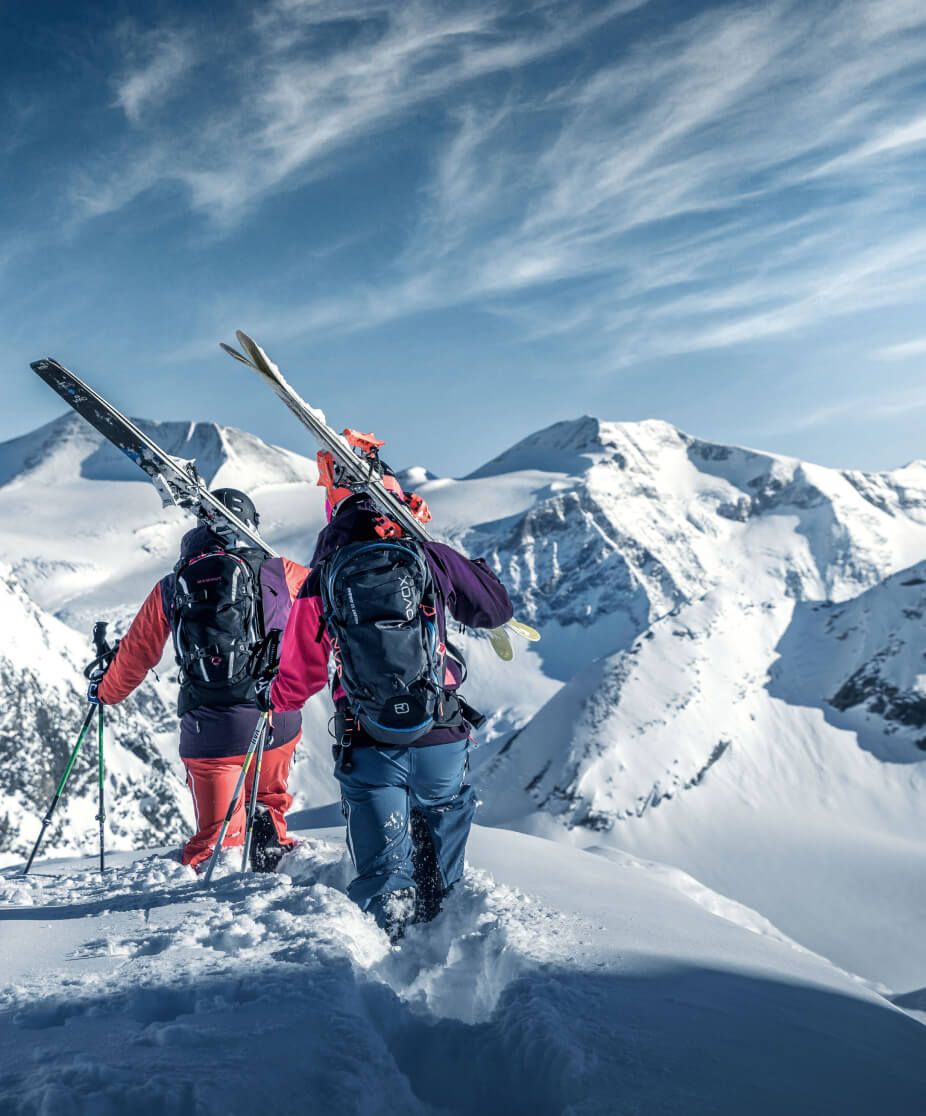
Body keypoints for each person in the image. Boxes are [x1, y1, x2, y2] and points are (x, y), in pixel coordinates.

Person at [262, 463, 513, 940]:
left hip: (369, 743)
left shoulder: (323, 577)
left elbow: (298, 679)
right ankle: (443, 935)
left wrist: (271, 697)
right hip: (440, 736)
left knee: (383, 876)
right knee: (442, 862)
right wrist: (468, 568)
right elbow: (496, 609)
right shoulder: (430, 557)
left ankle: (386, 956)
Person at [90, 489, 309, 872]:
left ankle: (218, 893)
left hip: (213, 729)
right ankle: (273, 869)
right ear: (251, 525)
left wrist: (104, 692)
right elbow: (332, 619)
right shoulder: (283, 572)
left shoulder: (174, 585)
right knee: (267, 801)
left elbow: (136, 656)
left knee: (217, 843)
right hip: (279, 719)